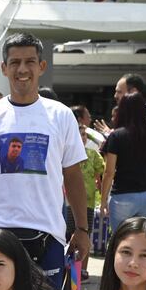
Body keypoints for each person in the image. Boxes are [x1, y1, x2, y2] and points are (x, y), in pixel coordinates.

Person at [0, 32, 90, 289]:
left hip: (48, 233)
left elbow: (72, 175)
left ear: (42, 66)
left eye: (29, 61)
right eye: (15, 62)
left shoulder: (61, 115)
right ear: (4, 68)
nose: (22, 69)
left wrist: (81, 230)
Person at [100, 92, 146, 229]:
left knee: (120, 239)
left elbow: (109, 172)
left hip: (122, 195)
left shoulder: (116, 136)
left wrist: (103, 200)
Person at [65, 120, 104, 280]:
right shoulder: (65, 152)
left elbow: (101, 173)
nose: (81, 137)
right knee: (68, 235)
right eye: (78, 134)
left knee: (83, 235)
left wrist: (103, 195)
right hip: (67, 202)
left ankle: (82, 269)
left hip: (87, 202)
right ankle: (67, 267)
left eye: (83, 134)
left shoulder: (92, 154)